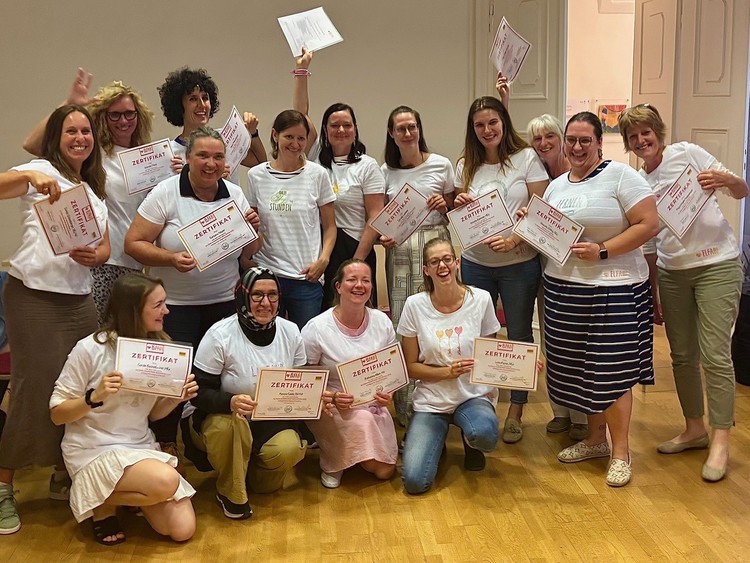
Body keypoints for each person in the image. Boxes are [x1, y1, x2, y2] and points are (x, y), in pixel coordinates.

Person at [618, 104, 747, 481]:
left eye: (646, 132)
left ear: (658, 132)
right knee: (682, 356)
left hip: (717, 264)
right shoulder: (637, 181)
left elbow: (742, 189)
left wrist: (725, 180)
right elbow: (648, 241)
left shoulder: (687, 153)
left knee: (715, 354)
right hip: (672, 272)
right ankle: (694, 428)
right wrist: (653, 289)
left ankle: (721, 439)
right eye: (633, 136)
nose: (641, 140)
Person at [0, 104, 110, 534]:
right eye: (71, 131)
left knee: (79, 387)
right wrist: (29, 176)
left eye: (86, 131)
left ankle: (62, 472)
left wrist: (95, 256)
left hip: (78, 301)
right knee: (32, 389)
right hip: (32, 297)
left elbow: (103, 247)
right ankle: (4, 486)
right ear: (56, 138)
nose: (80, 138)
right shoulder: (42, 169)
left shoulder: (94, 189)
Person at [125, 127, 261, 461]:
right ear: (188, 158)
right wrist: (170, 258)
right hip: (175, 306)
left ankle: (205, 440)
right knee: (174, 378)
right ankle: (166, 440)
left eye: (218, 157)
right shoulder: (166, 192)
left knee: (215, 377)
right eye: (203, 155)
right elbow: (134, 244)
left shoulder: (234, 193)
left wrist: (254, 231)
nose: (211, 163)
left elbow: (249, 253)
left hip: (224, 304)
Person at [537, 111, 658, 487]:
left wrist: (603, 250)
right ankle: (595, 440)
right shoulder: (556, 186)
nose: (576, 147)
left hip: (615, 289)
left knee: (612, 371)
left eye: (585, 140)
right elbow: (551, 237)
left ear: (599, 142)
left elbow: (649, 224)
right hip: (563, 289)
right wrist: (533, 221)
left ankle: (621, 452)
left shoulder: (623, 176)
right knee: (579, 369)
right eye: (571, 140)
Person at [49, 273, 197, 545]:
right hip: (93, 448)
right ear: (133, 310)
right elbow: (57, 414)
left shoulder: (160, 347)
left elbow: (153, 415)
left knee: (182, 530)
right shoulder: (90, 349)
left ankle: (112, 497)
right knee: (166, 481)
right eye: (158, 305)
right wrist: (93, 397)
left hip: (138, 445)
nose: (167, 311)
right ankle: (100, 504)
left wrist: (176, 398)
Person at [23, 68, 155, 325]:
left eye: (129, 113)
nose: (123, 121)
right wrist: (69, 104)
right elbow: (33, 145)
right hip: (101, 262)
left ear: (139, 116)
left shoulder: (149, 159)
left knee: (125, 338)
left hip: (137, 265)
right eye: (114, 114)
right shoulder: (93, 154)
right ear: (103, 117)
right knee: (94, 336)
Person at [454, 96, 549, 444]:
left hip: (518, 264)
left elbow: (541, 211)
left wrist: (514, 241)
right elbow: (461, 213)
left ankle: (516, 410)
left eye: (493, 122)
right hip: (476, 263)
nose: (487, 130)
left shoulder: (526, 158)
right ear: (472, 129)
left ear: (504, 123)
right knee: (480, 337)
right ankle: (483, 405)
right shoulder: (465, 164)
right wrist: (459, 202)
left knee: (520, 335)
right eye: (479, 125)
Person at [185, 267, 308, 520]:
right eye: (257, 295)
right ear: (243, 296)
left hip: (268, 419)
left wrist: (316, 399)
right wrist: (229, 401)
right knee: (230, 428)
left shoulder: (291, 331)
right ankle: (231, 493)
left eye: (273, 295)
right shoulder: (220, 334)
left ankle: (243, 473)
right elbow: (197, 393)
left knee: (287, 449)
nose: (266, 303)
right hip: (222, 417)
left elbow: (300, 385)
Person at [397, 238, 501, 494]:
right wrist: (447, 373)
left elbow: (492, 355)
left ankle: (471, 441)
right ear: (426, 270)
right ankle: (437, 438)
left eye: (446, 259)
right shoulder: (414, 305)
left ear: (456, 263)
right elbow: (410, 367)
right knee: (414, 482)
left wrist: (522, 367)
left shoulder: (481, 299)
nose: (441, 266)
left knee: (485, 434)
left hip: (472, 396)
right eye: (434, 262)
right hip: (432, 400)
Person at [380, 105, 455, 426]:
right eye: (401, 128)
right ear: (392, 134)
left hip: (435, 246)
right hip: (400, 253)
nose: (408, 133)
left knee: (438, 318)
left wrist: (445, 203)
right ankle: (406, 407)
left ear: (419, 129)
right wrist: (384, 236)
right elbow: (381, 217)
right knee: (404, 323)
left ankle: (444, 402)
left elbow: (455, 207)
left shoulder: (441, 164)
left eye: (412, 126)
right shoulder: (385, 171)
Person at [301, 259, 398, 489]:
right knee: (364, 428)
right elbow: (305, 380)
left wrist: (389, 394)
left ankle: (354, 453)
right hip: (332, 405)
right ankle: (333, 462)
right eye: (352, 280)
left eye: (366, 280)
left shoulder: (382, 322)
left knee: (384, 472)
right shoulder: (317, 328)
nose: (359, 285)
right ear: (338, 286)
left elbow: (392, 371)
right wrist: (332, 397)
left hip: (372, 403)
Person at [526, 113, 587, 442]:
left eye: (550, 136)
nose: (543, 143)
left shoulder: (576, 174)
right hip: (541, 266)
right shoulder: (533, 171)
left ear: (561, 139)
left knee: (576, 342)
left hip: (576, 271)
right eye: (537, 138)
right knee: (551, 340)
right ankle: (560, 411)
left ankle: (581, 416)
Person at [247, 110, 336, 329]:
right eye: (289, 137)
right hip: (267, 276)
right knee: (265, 340)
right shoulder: (256, 175)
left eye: (301, 138)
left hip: (306, 278)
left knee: (305, 344)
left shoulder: (318, 174)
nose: (295, 144)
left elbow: (330, 226)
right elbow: (252, 226)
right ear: (275, 135)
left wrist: (324, 260)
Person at [317, 103, 385, 310]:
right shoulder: (315, 164)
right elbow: (301, 112)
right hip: (322, 250)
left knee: (358, 312)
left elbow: (375, 215)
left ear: (355, 129)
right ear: (325, 130)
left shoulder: (367, 166)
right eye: (334, 125)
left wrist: (357, 262)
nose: (341, 130)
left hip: (356, 247)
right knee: (326, 313)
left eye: (347, 125)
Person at [157, 67, 266, 180]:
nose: (202, 105)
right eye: (193, 99)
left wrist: (253, 133)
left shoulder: (224, 139)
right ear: (179, 106)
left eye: (205, 98)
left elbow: (261, 166)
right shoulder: (170, 154)